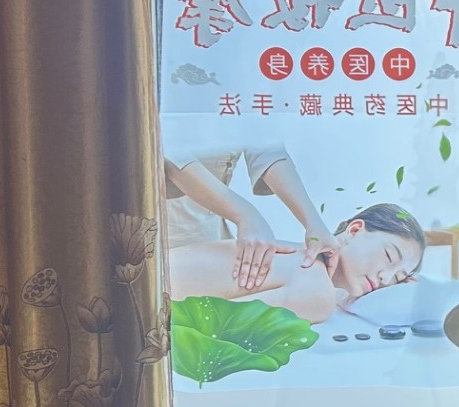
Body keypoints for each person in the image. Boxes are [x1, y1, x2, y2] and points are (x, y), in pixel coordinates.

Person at [168, 204, 427, 326]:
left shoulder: (296, 257)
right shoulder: (318, 291)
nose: (385, 279)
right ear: (355, 230)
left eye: (397, 278)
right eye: (389, 257)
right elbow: (207, 324)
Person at [162, 129, 334, 291]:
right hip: (164, 226)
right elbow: (170, 153)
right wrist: (247, 216)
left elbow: (266, 148)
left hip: (210, 233)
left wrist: (314, 224)